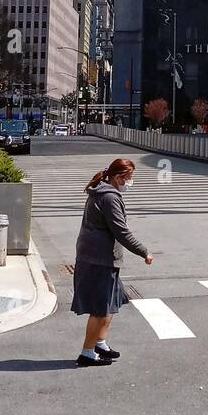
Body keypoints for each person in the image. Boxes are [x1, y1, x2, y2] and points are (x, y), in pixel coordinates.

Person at [71, 157, 152, 366]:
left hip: (102, 257)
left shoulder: (103, 191)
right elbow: (121, 231)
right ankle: (87, 353)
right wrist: (144, 252)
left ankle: (100, 343)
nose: (130, 182)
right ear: (118, 177)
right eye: (129, 178)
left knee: (112, 303)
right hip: (99, 258)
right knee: (100, 308)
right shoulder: (109, 197)